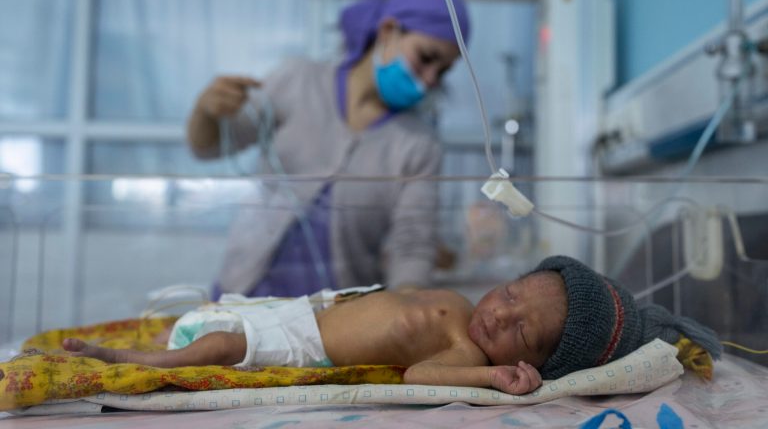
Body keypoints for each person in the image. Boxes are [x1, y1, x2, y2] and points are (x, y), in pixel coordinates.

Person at [185, 0, 471, 299]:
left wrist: (403, 308)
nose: (430, 79)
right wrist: (206, 112)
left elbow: (413, 245)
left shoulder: (418, 144)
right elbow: (207, 147)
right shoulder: (298, 81)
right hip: (245, 292)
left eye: (444, 71)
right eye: (426, 58)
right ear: (389, 31)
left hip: (337, 320)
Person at [62, 256, 722, 396]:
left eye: (524, 331)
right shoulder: (469, 309)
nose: (502, 310)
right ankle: (146, 344)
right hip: (303, 308)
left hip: (304, 344)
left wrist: (496, 375)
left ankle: (130, 365)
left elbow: (418, 373)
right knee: (213, 320)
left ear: (543, 362)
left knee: (220, 346)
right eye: (515, 290)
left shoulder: (464, 346)